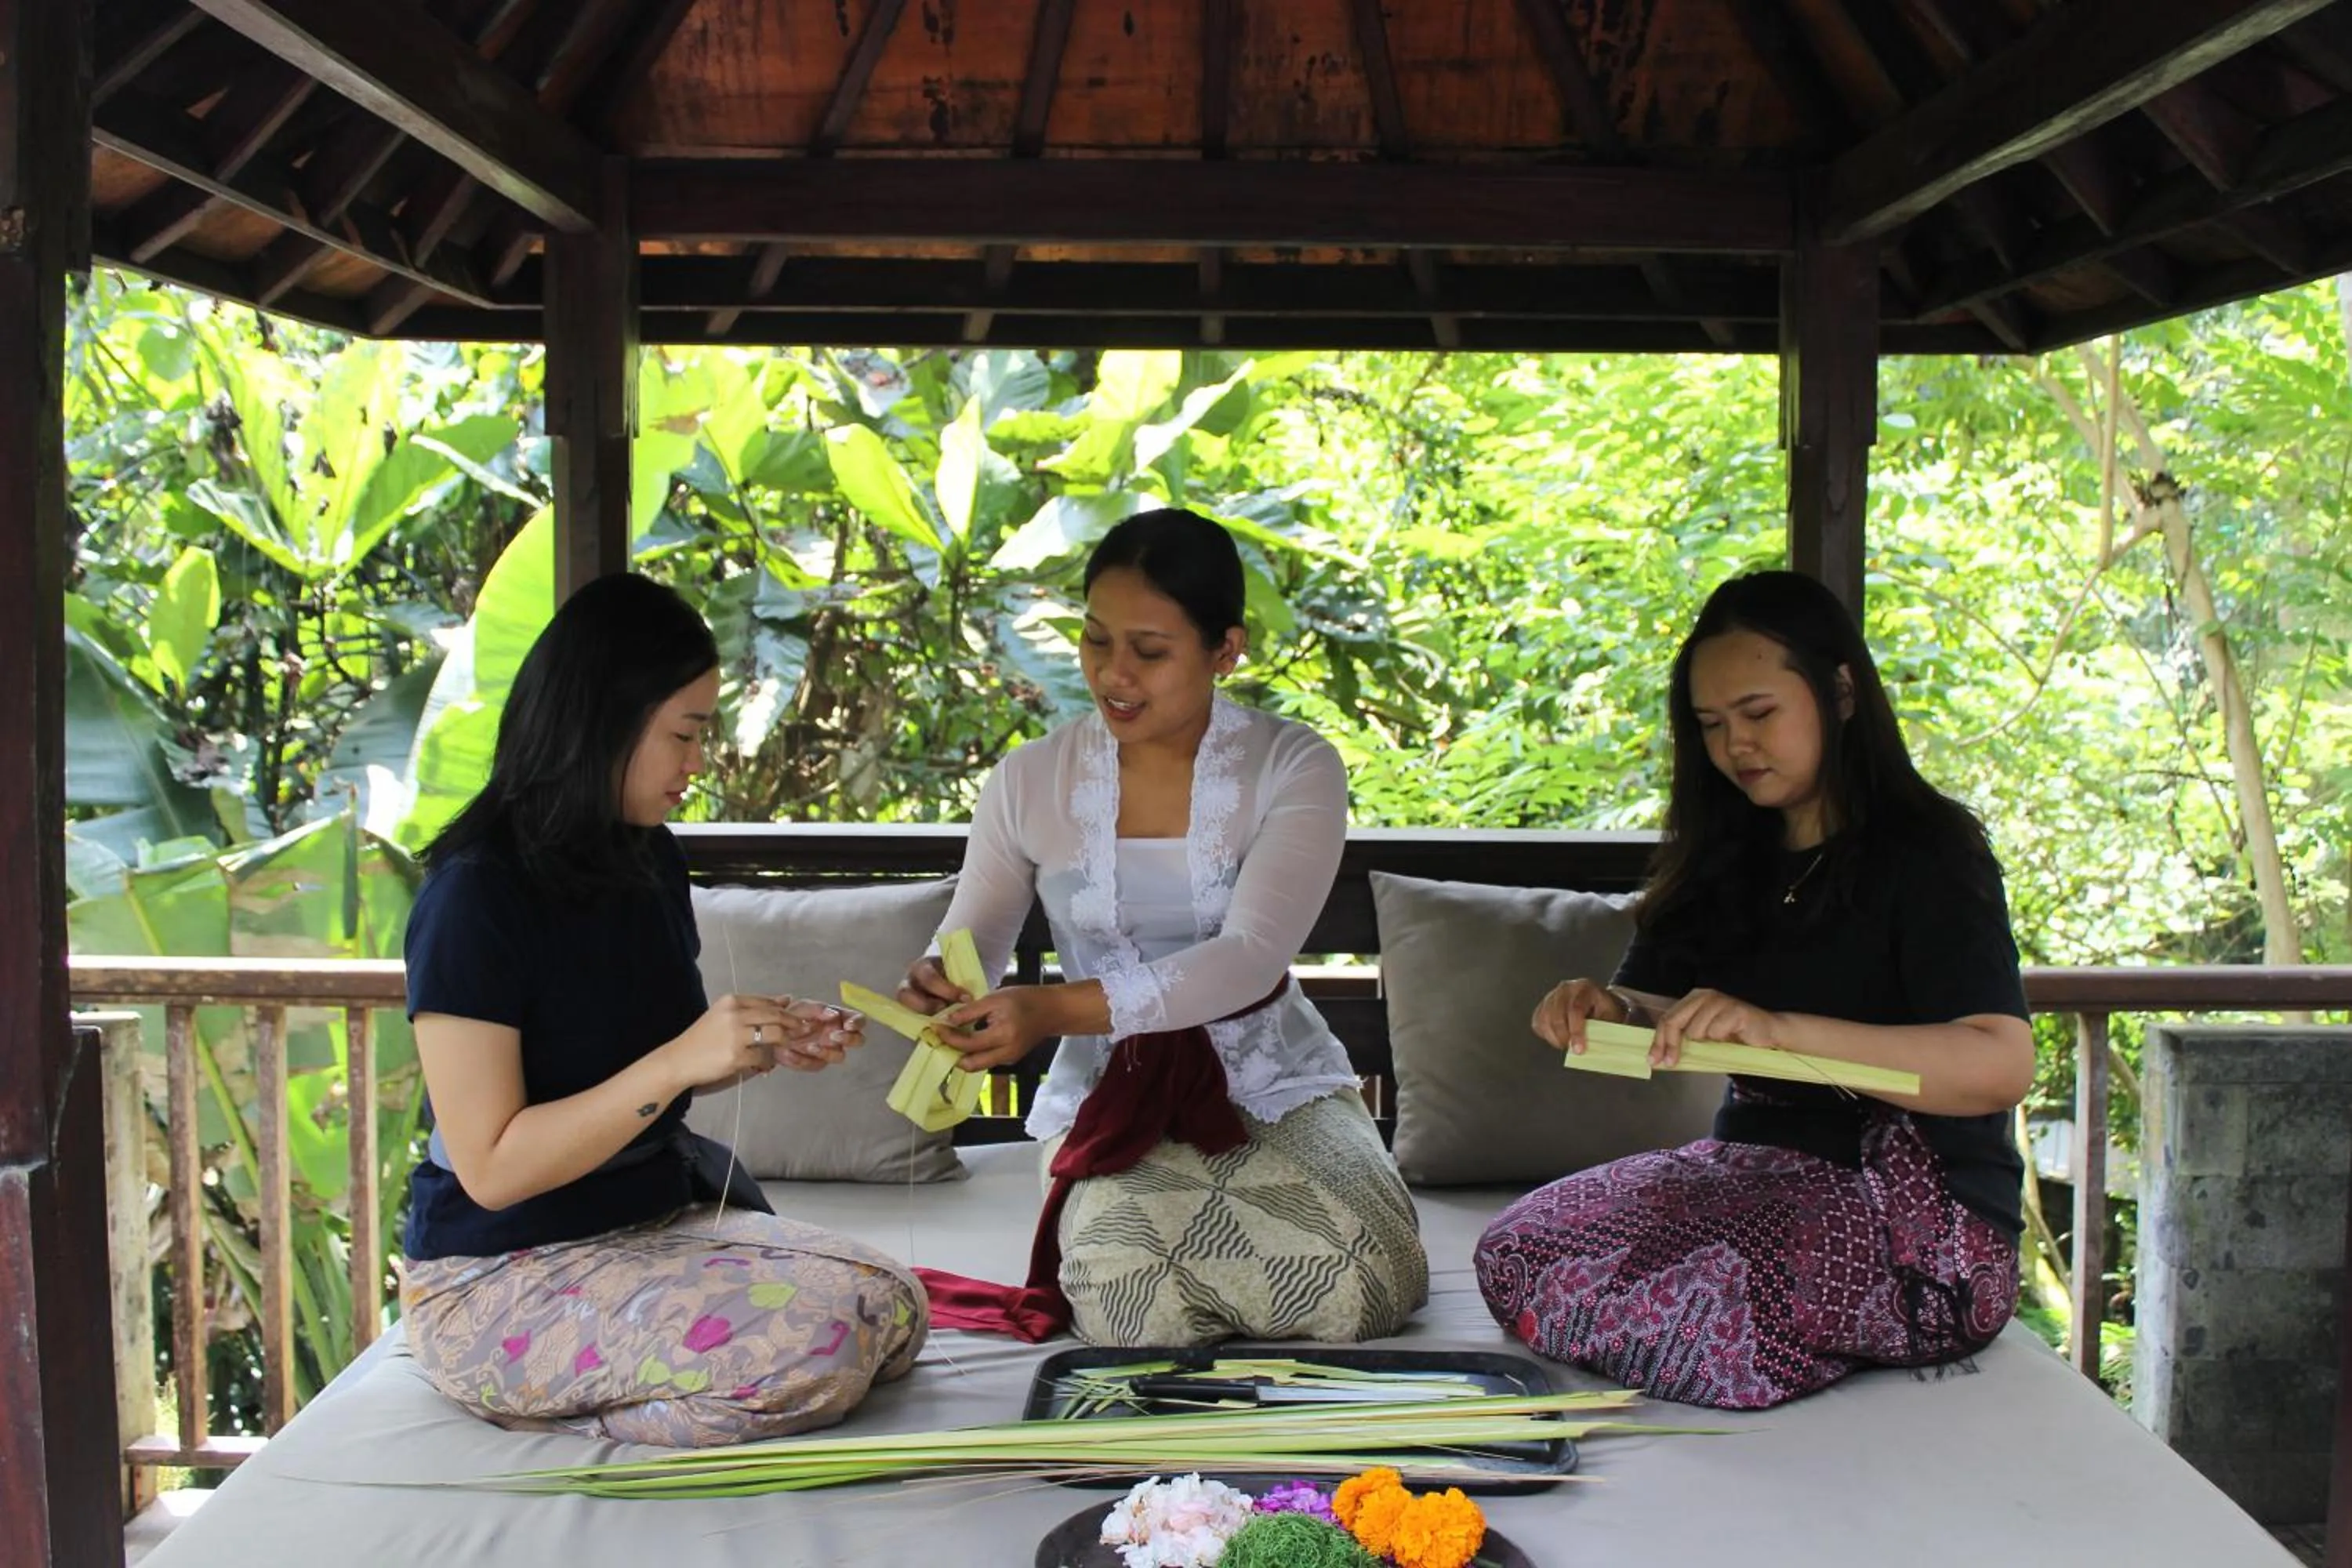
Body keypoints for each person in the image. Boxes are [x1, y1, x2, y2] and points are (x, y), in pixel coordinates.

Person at [1474, 568, 2034, 1410]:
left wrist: (1783, 1029)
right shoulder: (1730, 853)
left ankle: (1755, 1333)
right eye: (1712, 725)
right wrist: (1606, 1010)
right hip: (1753, 1171)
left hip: (1924, 1215)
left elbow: (1999, 1062)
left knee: (1731, 1280)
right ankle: (1744, 1338)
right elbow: (1657, 1010)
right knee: (1517, 1247)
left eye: (1760, 713)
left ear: (1841, 690)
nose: (1737, 745)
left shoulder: (1931, 852)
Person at [397, 572, 925, 1446]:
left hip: (643, 1222)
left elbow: (650, 1054)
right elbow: (491, 1166)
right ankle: (556, 1403)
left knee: (893, 1301)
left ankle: (604, 1385)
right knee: (822, 1341)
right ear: (604, 720)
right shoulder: (472, 899)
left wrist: (757, 1038)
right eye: (685, 734)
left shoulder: (647, 860)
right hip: (498, 1268)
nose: (697, 762)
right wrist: (682, 1059)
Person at [897, 507, 1428, 1345]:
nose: (1114, 673)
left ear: (1226, 650)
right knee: (1122, 1290)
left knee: (1361, 1271)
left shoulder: (1295, 764)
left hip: (1269, 1075)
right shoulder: (1028, 780)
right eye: (1095, 639)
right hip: (1107, 1088)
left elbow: (1250, 959)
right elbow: (973, 940)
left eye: (1149, 651)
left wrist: (1051, 1009)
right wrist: (937, 980)